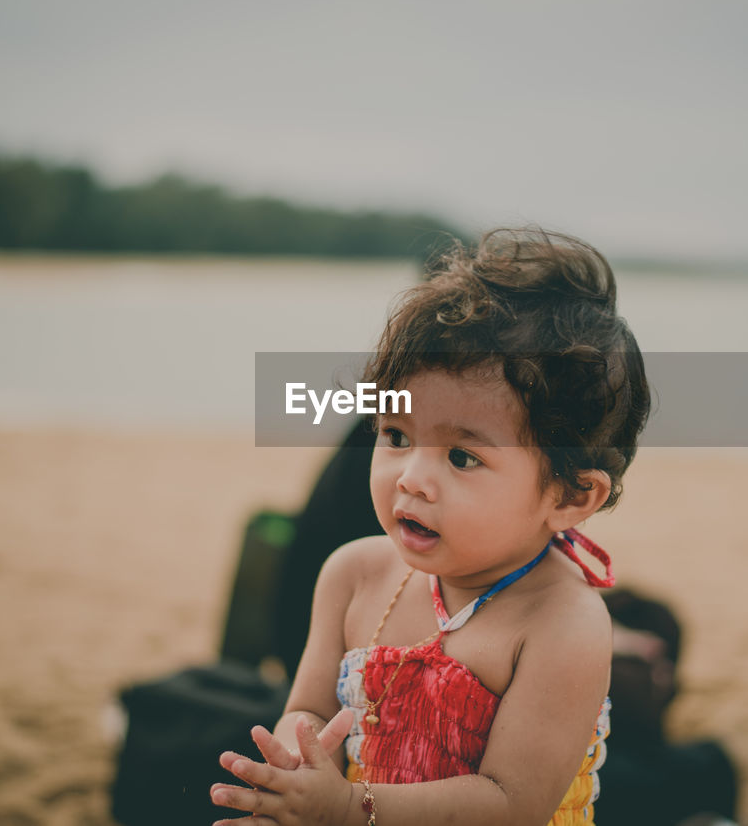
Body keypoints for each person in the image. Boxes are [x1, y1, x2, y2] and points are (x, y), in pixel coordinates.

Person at [211, 227, 650, 825]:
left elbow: (510, 802)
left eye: (463, 457)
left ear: (571, 495)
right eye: (395, 435)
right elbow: (311, 713)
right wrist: (292, 776)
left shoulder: (561, 623)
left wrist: (347, 806)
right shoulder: (355, 574)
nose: (411, 478)